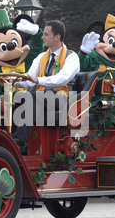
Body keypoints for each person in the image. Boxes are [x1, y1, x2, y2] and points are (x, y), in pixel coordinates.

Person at [12, 20, 80, 154]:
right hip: (42, 95)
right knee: (17, 97)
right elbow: (29, 81)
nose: (42, 37)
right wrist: (12, 81)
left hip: (62, 98)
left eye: (46, 34)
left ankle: (18, 142)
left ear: (57, 37)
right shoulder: (41, 57)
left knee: (33, 96)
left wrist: (37, 79)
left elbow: (61, 79)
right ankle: (16, 143)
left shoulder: (72, 57)